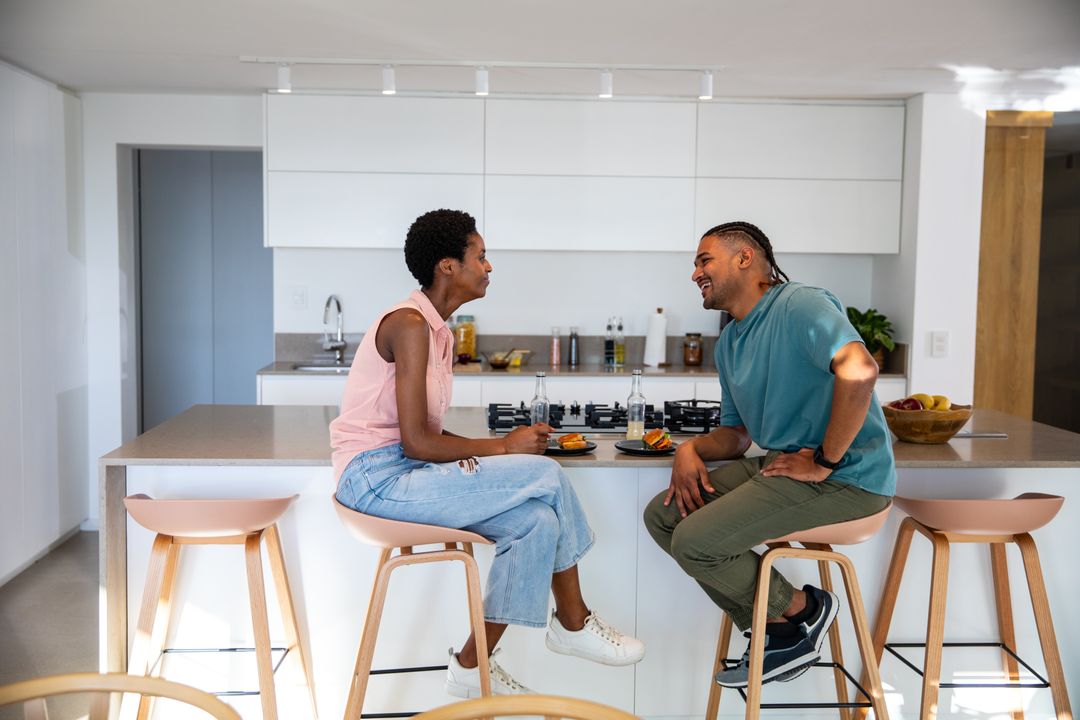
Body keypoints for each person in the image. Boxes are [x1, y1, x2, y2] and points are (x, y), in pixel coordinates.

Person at [330, 209, 645, 698]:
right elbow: (415, 440)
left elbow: (425, 434)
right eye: (481, 256)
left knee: (537, 521)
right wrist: (503, 447)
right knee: (546, 474)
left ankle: (471, 665)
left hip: (404, 471)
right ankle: (573, 621)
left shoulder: (438, 332)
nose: (489, 266)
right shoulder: (409, 325)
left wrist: (497, 453)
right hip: (375, 481)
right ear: (448, 266)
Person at [642, 221, 895, 687]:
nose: (695, 273)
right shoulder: (733, 342)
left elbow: (859, 371)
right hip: (785, 465)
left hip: (848, 477)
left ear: (745, 258)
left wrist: (824, 460)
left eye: (704, 260)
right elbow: (736, 436)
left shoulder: (800, 304)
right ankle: (778, 631)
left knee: (695, 542)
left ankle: (804, 609)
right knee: (664, 517)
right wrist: (690, 448)